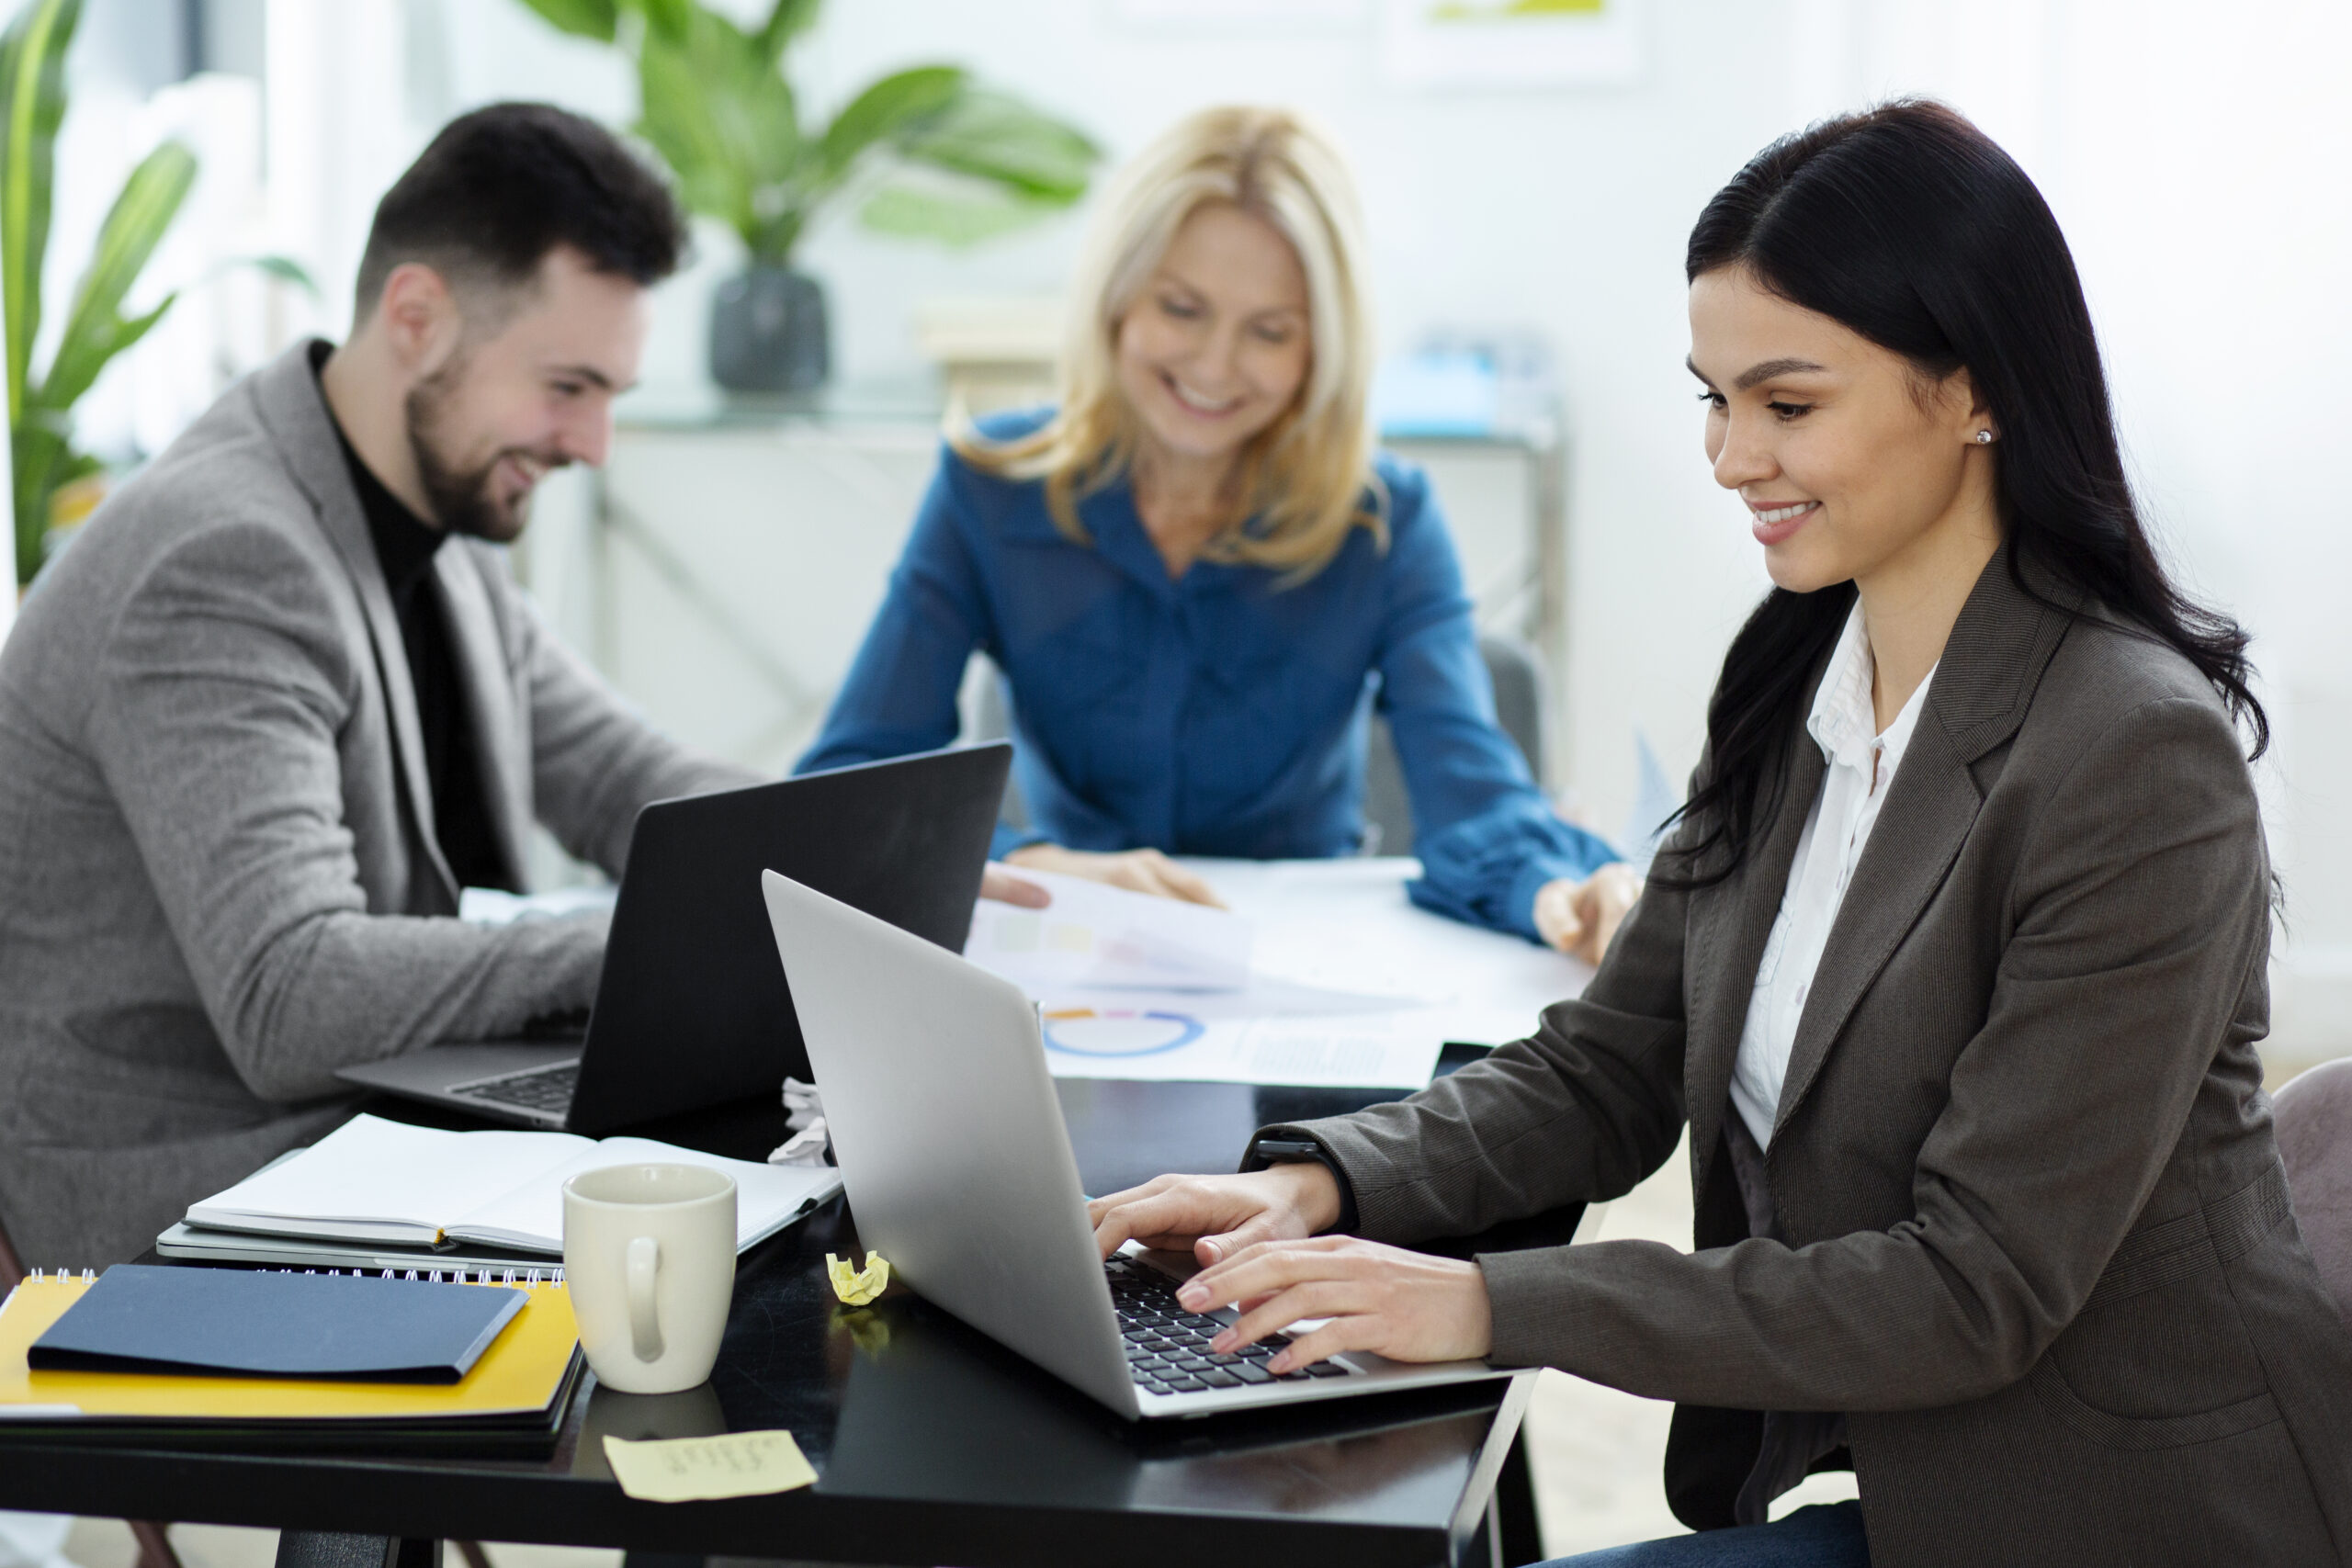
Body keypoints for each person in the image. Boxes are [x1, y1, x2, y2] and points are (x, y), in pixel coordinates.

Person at [1085, 101, 2352, 1566]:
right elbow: (1609, 1063)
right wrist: (1315, 1179)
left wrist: (1486, 1301)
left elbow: (1974, 1284)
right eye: (1714, 396)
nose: (1729, 454)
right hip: (1912, 1474)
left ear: (1972, 390)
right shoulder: (1803, 667)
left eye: (1788, 403)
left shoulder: (2133, 756)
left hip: (2114, 1513)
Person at [0, 103, 1039, 1269]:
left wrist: (877, 875)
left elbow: (623, 776)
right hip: (172, 1191)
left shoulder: (423, 520)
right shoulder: (222, 556)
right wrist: (651, 942)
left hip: (347, 1137)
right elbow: (289, 992)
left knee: (809, 1202)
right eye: (568, 387)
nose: (593, 445)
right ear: (417, 316)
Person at [798, 107, 1639, 961]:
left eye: (1269, 331)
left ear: (1321, 350)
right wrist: (1044, 867)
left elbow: (1476, 796)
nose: (1214, 365)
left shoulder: (1386, 519)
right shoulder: (989, 487)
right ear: (1118, 299)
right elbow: (843, 791)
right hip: (1070, 963)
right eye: (1182, 308)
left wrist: (1558, 892)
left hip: (1302, 974)